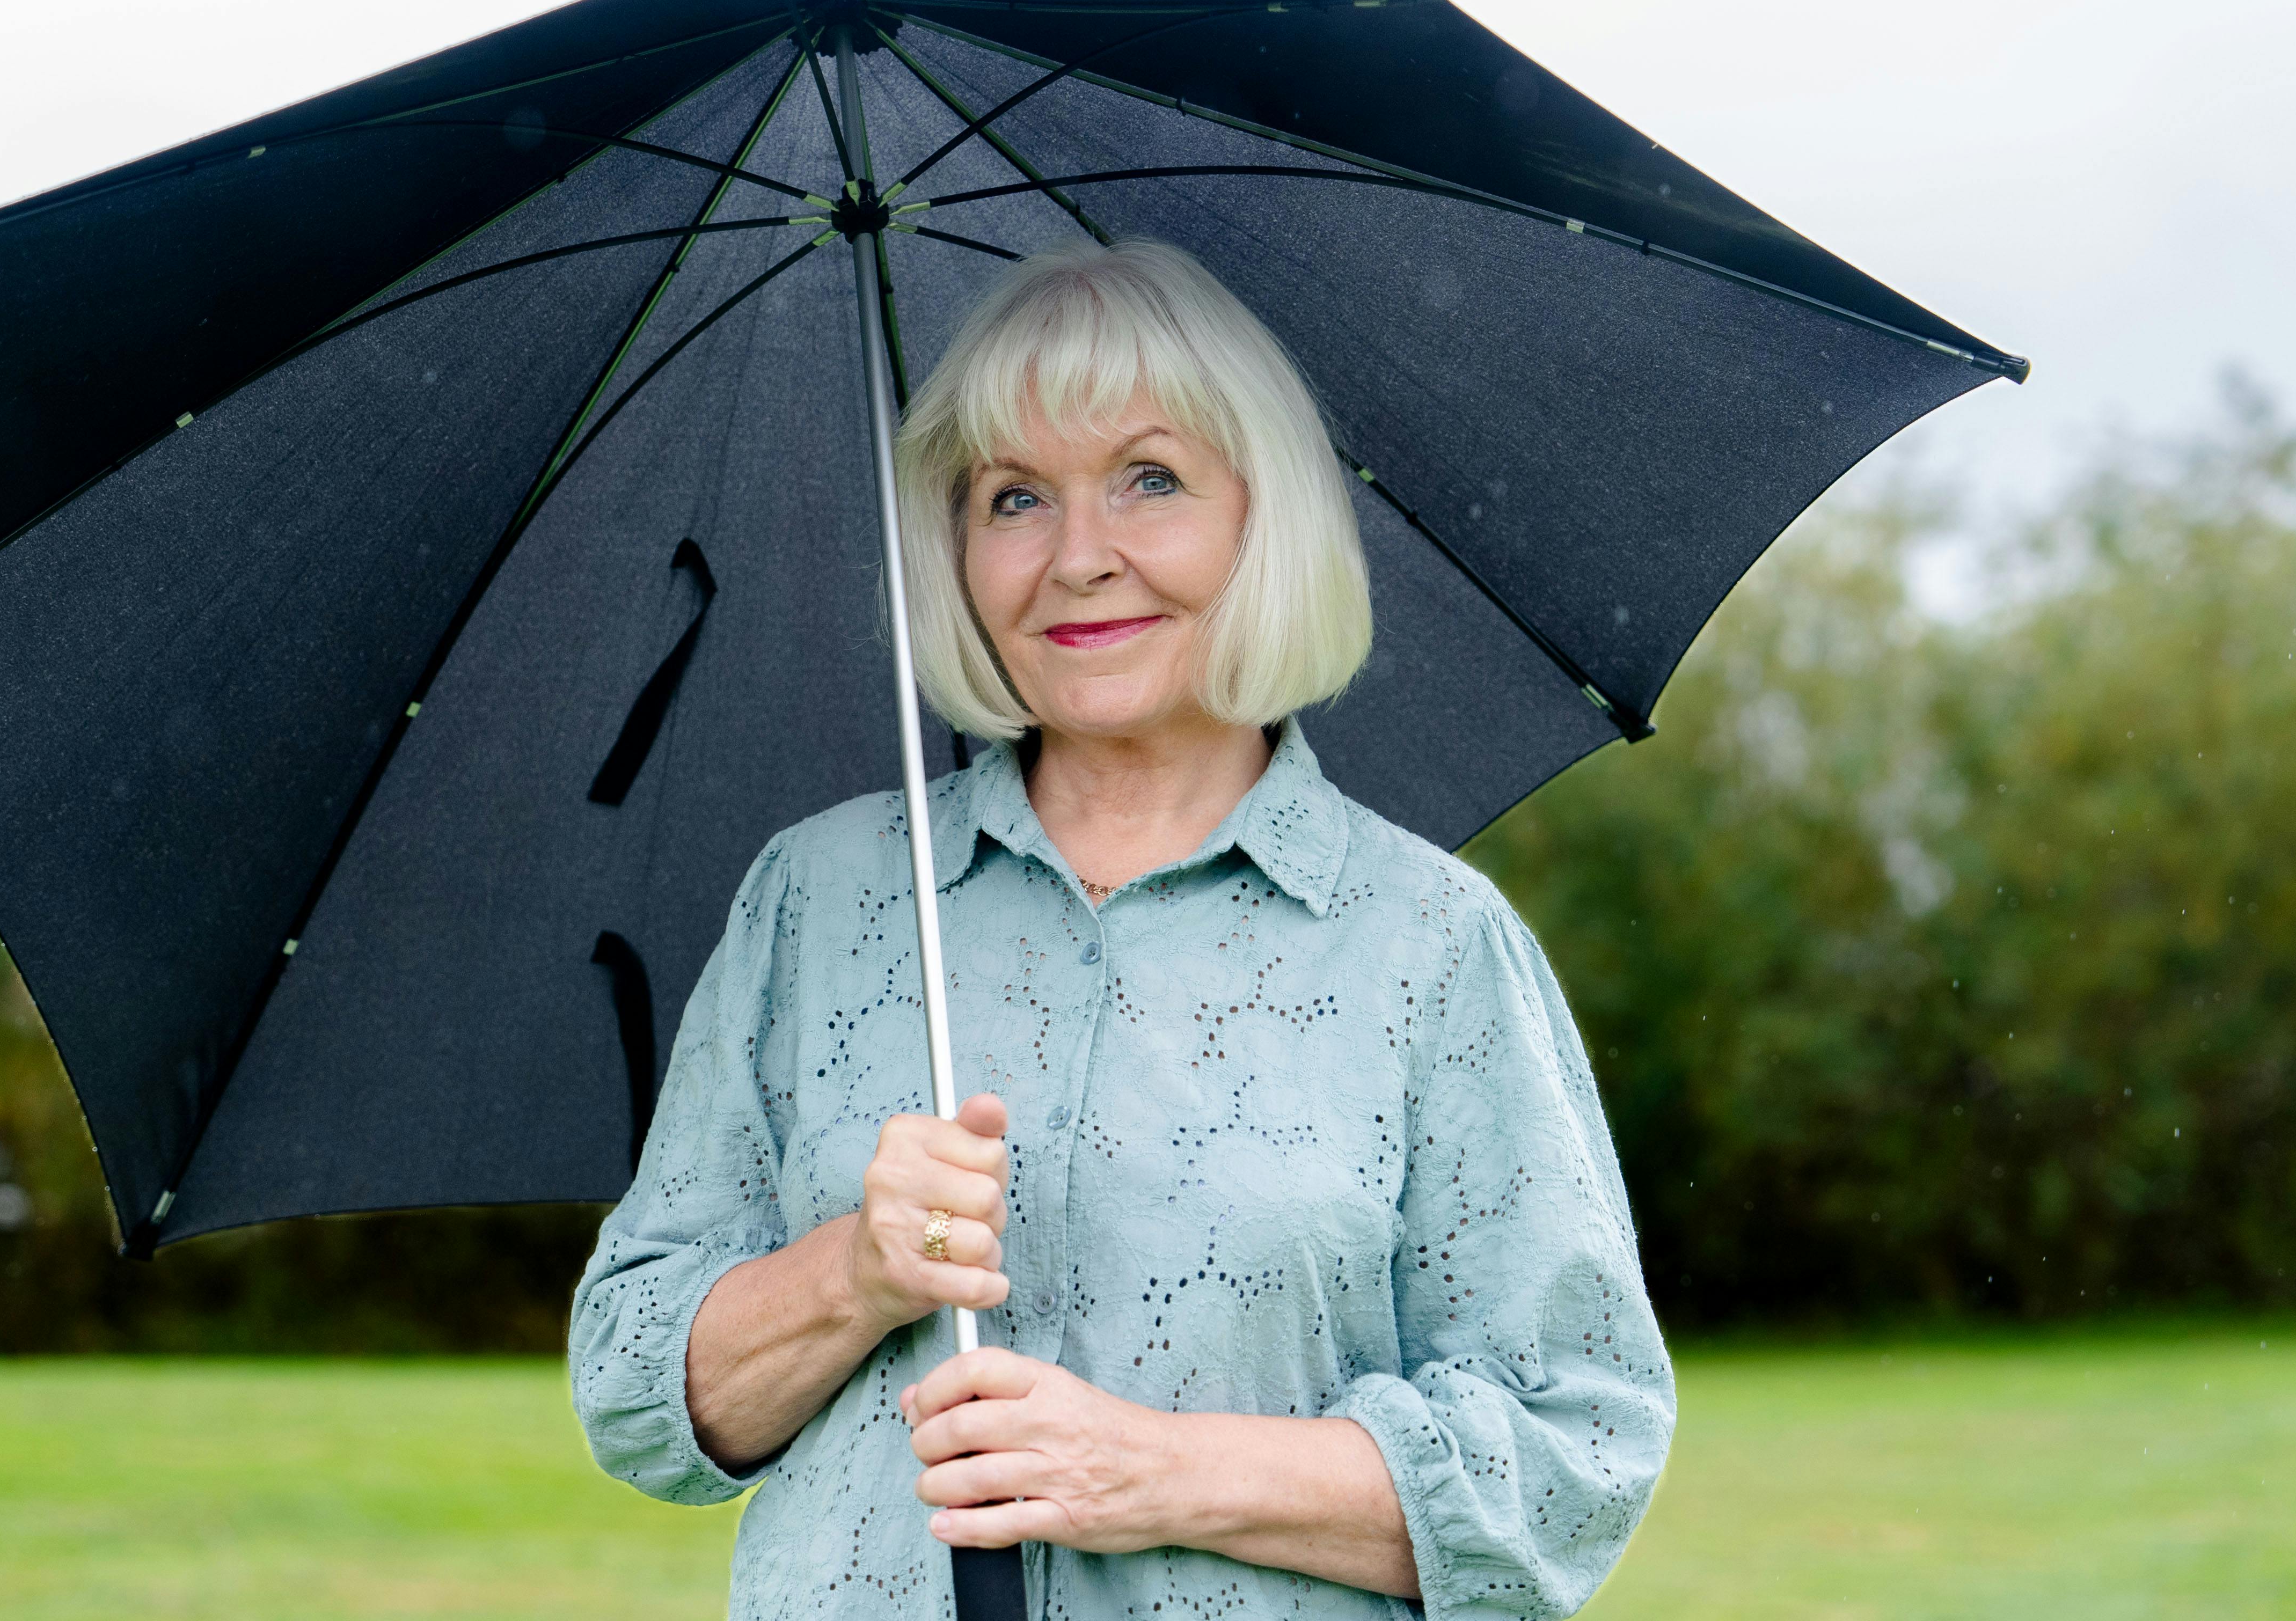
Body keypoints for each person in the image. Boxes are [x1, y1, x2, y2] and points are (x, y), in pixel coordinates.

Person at [570, 238, 1672, 1618]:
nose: (1079, 557)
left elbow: (1571, 1454)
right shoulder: (823, 897)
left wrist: (1154, 1471)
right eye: (1014, 497)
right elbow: (629, 1387)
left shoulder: (1430, 943)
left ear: (1259, 519)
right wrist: (850, 1271)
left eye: (1149, 480)